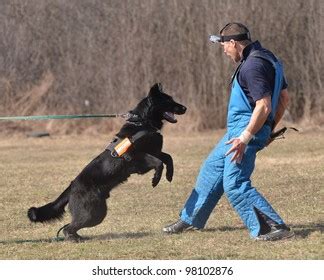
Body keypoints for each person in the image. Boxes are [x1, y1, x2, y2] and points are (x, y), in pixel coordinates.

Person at [163, 22, 294, 241]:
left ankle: (273, 226)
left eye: (224, 45)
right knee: (212, 168)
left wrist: (246, 137)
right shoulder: (268, 57)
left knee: (235, 183)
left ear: (233, 42)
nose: (223, 50)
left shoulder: (252, 66)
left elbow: (264, 105)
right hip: (244, 129)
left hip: (244, 131)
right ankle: (190, 217)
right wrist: (267, 128)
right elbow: (284, 98)